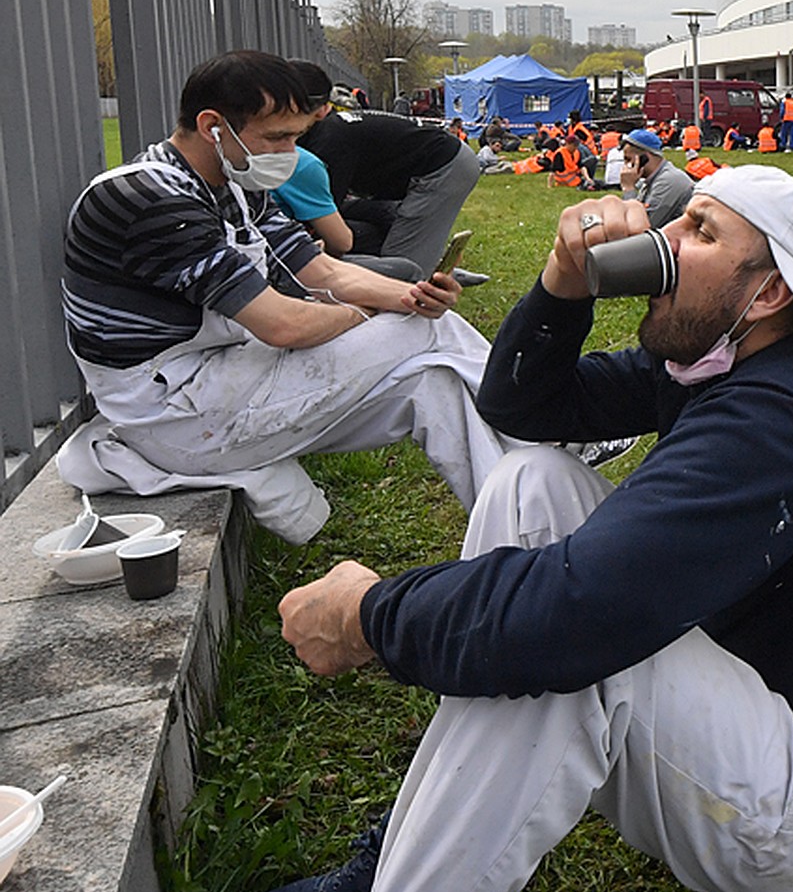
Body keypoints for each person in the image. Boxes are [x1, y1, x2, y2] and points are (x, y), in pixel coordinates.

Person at [95, 164, 793, 892]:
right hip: (763, 732)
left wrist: (369, 616)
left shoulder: (789, 421)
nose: (669, 241)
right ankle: (402, 859)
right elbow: (519, 410)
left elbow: (571, 619)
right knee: (530, 485)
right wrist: (560, 284)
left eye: (704, 234)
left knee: (577, 653)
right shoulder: (728, 359)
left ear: (768, 293)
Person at [58, 51, 511, 544]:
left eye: (295, 136)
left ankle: (519, 535)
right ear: (213, 126)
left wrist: (409, 294)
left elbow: (320, 269)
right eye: (277, 137)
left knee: (434, 384)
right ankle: (545, 421)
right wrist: (372, 311)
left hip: (210, 385)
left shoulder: (234, 186)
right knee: (429, 330)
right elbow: (283, 326)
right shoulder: (150, 198)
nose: (290, 152)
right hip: (173, 414)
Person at [298, 66, 479, 277]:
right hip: (440, 159)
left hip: (442, 167)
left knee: (401, 270)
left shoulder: (328, 141)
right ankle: (431, 264)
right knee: (396, 237)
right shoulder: (333, 129)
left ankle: (430, 272)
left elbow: (328, 210)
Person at [619, 127, 693, 228]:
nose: (625, 165)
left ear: (645, 158)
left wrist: (628, 189)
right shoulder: (652, 179)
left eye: (628, 159)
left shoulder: (668, 181)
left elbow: (641, 227)